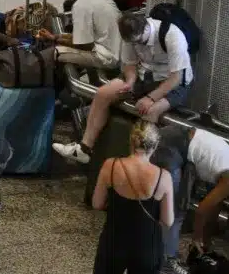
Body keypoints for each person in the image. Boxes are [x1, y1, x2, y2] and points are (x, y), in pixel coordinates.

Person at [55, 11, 193, 165]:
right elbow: (130, 64)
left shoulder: (172, 36)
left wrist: (150, 98)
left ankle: (138, 164)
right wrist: (130, 82)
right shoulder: (129, 36)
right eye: (132, 43)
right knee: (103, 93)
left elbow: (176, 78)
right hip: (144, 76)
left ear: (145, 29)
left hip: (172, 83)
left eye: (138, 42)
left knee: (150, 111)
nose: (135, 45)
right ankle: (83, 149)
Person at [74, 120, 174, 274]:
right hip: (147, 246)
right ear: (154, 146)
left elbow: (96, 203)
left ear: (131, 141)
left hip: (114, 240)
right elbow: (168, 220)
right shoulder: (163, 176)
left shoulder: (111, 166)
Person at [167, 125, 229, 274]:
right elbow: (202, 210)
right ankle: (167, 262)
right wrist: (196, 238)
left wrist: (206, 242)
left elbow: (213, 209)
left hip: (179, 137)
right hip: (175, 145)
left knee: (175, 206)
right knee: (177, 210)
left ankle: (161, 251)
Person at [43, 0, 122, 78]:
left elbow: (84, 45)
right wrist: (56, 37)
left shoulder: (81, 5)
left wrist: (57, 40)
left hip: (108, 57)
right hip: (119, 51)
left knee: (52, 53)